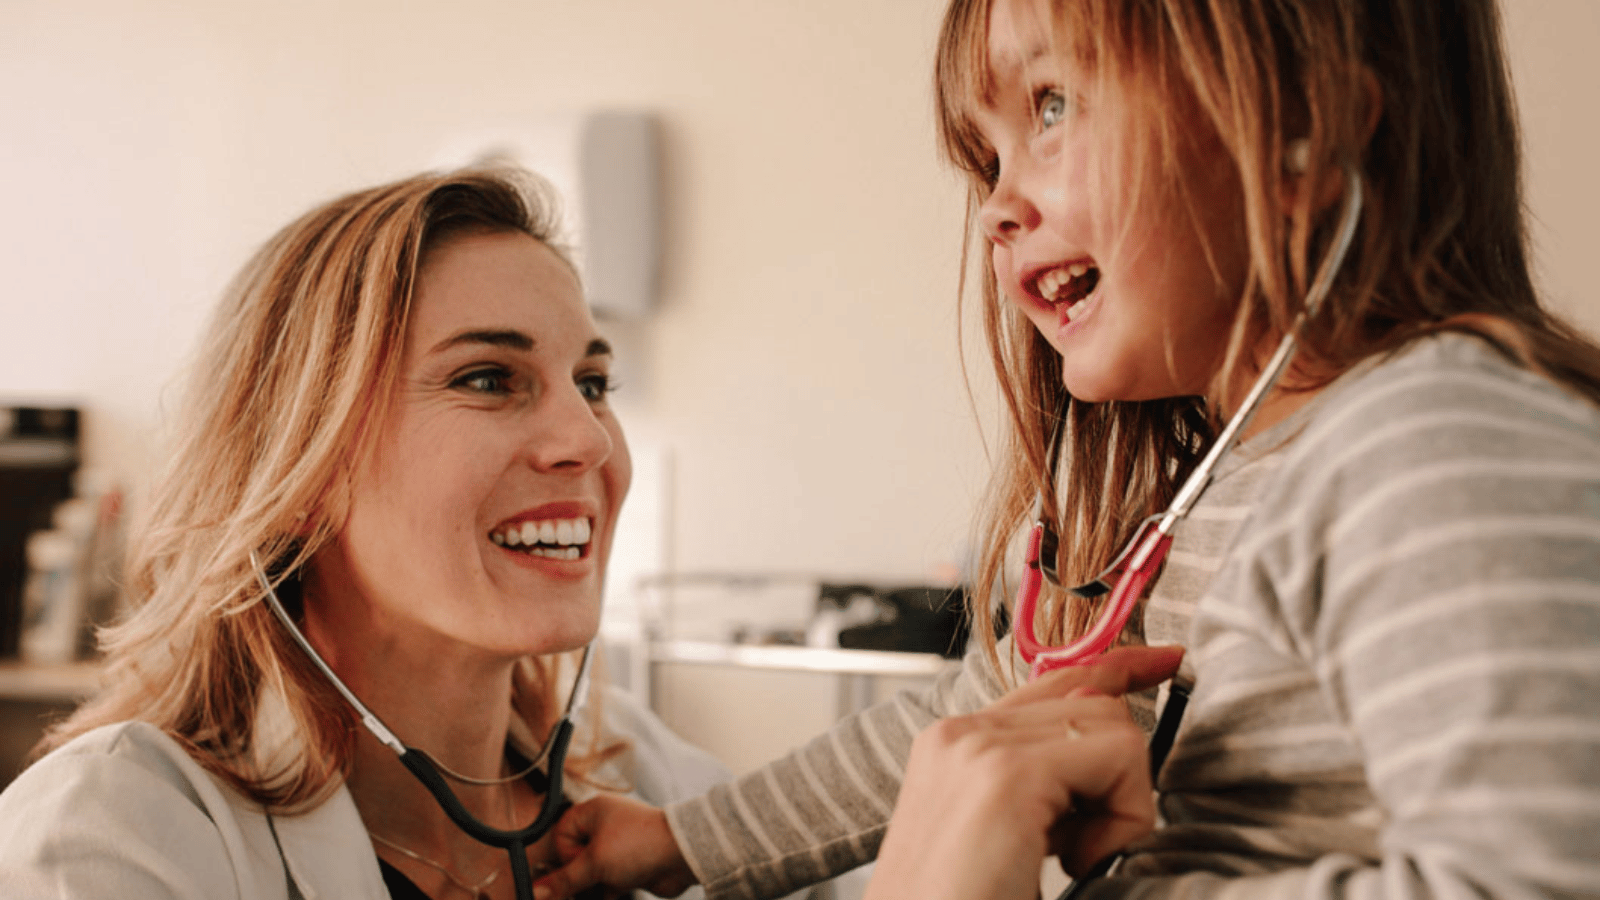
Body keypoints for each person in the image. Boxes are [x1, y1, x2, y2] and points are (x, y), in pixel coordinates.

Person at [535, 0, 1600, 898]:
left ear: (1302, 136)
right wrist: (683, 840)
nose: (995, 206)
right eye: (985, 158)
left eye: (1050, 106)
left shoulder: (1434, 451)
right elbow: (974, 721)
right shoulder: (1205, 489)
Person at [0, 168, 743, 900]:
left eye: (592, 384)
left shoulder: (648, 780)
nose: (589, 438)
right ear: (300, 471)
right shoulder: (112, 833)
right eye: (488, 378)